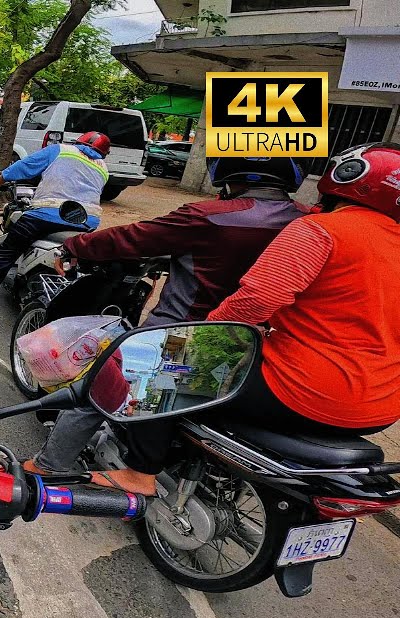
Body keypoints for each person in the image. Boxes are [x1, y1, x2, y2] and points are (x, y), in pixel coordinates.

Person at [118, 142, 400, 490]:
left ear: (343, 175)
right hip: (382, 408)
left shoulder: (319, 230)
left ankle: (138, 474)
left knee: (165, 366)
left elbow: (255, 300)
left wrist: (199, 338)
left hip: (303, 393)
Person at [22, 156, 310, 493]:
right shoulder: (309, 223)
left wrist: (75, 245)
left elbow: (134, 238)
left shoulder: (207, 216)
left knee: (101, 386)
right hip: (257, 339)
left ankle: (50, 466)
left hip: (184, 335)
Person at [0, 132, 111, 315]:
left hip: (47, 214)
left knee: (8, 252)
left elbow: (23, 166)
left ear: (78, 142)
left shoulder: (60, 150)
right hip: (86, 223)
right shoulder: (103, 168)